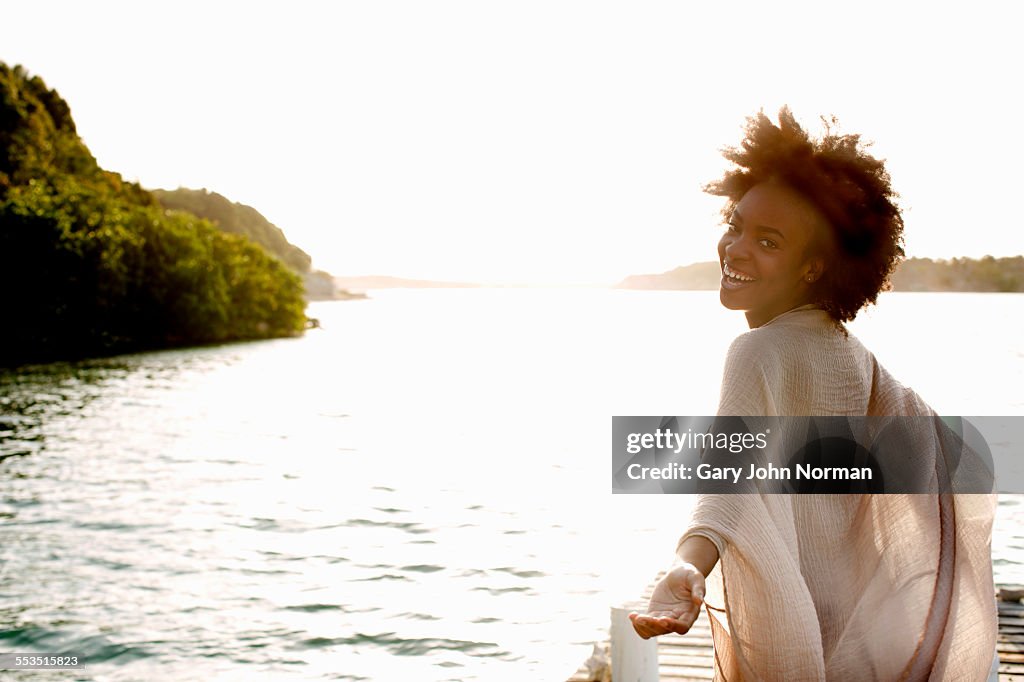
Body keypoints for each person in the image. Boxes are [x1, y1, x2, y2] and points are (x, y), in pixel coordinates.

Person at [628, 108, 997, 680]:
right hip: (871, 643)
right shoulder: (854, 356)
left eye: (768, 240)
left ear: (813, 266)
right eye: (736, 222)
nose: (736, 248)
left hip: (807, 640)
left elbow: (726, 476)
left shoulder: (757, 353)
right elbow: (963, 456)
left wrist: (686, 562)